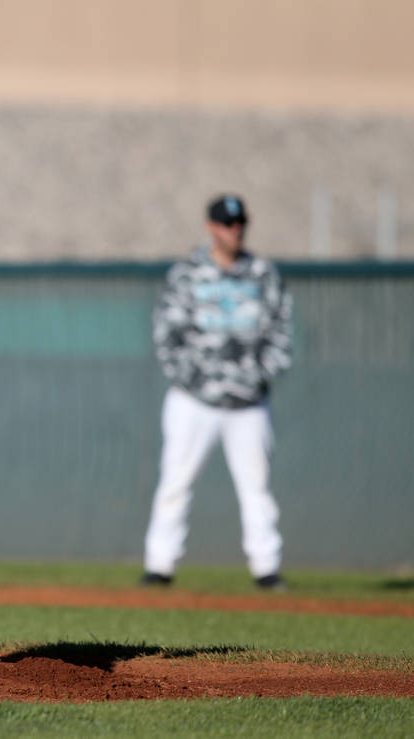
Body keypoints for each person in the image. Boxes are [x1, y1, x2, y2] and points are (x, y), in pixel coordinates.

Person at [139, 194, 293, 591]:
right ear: (211, 226)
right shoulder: (187, 273)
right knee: (175, 482)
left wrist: (258, 377)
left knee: (256, 486)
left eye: (240, 222)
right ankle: (160, 565)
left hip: (249, 404)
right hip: (194, 400)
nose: (234, 229)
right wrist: (193, 378)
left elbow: (282, 333)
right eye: (227, 223)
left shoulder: (262, 273)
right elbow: (165, 335)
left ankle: (266, 568)